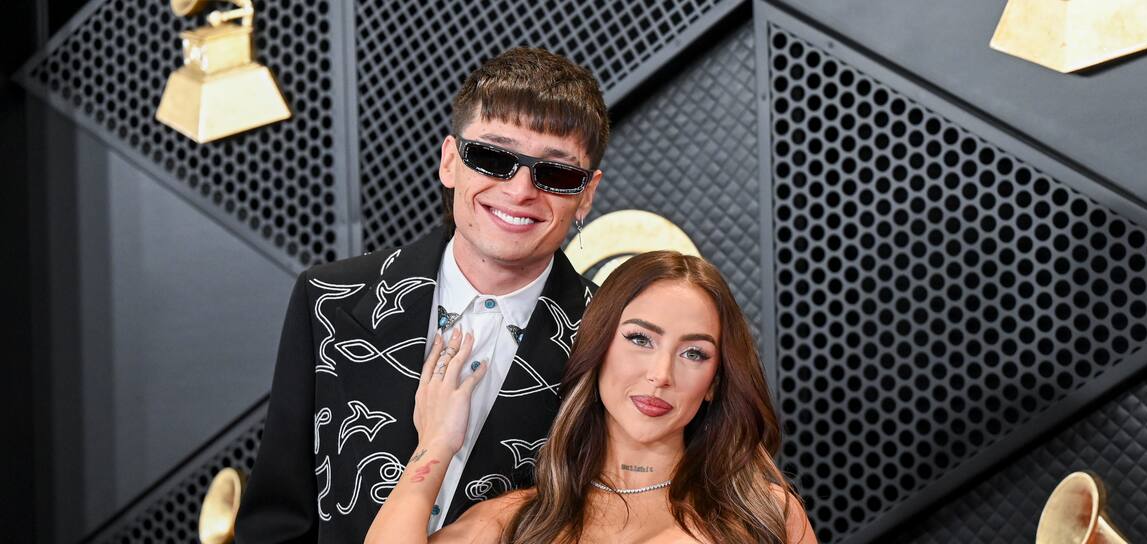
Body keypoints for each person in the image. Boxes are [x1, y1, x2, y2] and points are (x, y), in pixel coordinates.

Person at [236, 47, 608, 542]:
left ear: (586, 194)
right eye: (493, 158)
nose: (521, 191)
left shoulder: (613, 336)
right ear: (450, 161)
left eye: (556, 173)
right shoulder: (329, 298)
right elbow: (276, 522)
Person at [366, 251, 819, 543]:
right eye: (640, 339)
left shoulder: (765, 514)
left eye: (694, 353)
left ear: (715, 382)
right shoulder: (515, 522)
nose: (660, 375)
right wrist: (436, 445)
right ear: (599, 349)